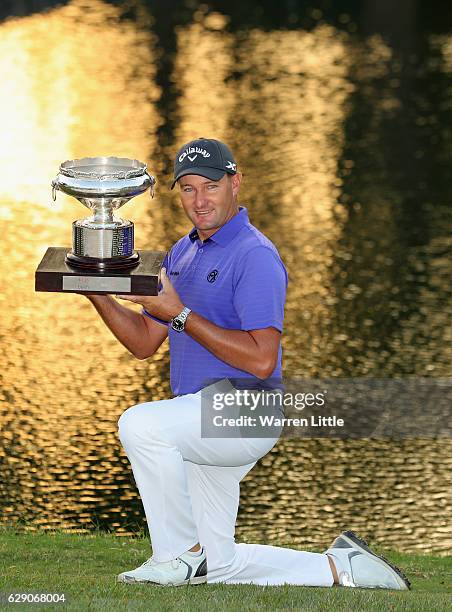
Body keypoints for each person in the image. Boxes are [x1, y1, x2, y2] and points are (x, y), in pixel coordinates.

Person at [85, 138, 410, 590]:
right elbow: (144, 343)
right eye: (188, 189)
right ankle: (344, 567)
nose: (200, 201)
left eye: (211, 187)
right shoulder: (183, 252)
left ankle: (178, 555)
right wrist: (94, 290)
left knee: (140, 424)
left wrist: (179, 313)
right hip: (199, 413)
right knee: (220, 565)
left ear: (235, 184)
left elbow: (261, 361)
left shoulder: (255, 256)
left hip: (246, 410)